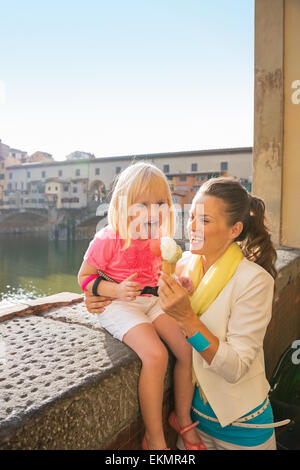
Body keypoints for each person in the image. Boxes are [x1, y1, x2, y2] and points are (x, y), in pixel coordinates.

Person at [84, 176, 287, 450]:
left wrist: (187, 318)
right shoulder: (182, 263)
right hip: (193, 425)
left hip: (242, 428)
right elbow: (138, 287)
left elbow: (235, 367)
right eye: (191, 217)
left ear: (234, 229)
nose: (191, 227)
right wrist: (95, 294)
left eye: (204, 220)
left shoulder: (254, 281)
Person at [78, 161, 205, 451]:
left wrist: (180, 284)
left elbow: (163, 278)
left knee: (187, 350)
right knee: (156, 355)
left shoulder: (160, 240)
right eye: (143, 203)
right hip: (119, 304)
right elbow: (84, 278)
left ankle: (181, 418)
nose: (153, 210)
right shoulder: (108, 238)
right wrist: (116, 289)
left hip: (152, 301)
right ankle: (154, 437)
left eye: (160, 202)